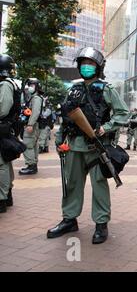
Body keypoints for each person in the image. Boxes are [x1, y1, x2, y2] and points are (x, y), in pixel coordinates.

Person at [47, 47, 130, 244]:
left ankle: (101, 224)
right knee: (72, 184)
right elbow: (67, 117)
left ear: (99, 67)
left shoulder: (107, 89)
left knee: (99, 185)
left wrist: (106, 128)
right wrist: (60, 139)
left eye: (91, 64)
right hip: (74, 146)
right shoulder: (73, 90)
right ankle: (69, 219)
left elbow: (123, 113)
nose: (86, 67)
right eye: (83, 63)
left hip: (96, 147)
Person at [0, 55, 21, 213]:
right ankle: (6, 194)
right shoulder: (9, 83)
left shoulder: (5, 84)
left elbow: (2, 109)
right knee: (4, 162)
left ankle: (2, 197)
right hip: (6, 127)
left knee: (1, 164)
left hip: (3, 127)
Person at [19, 78, 44, 175]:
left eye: (32, 85)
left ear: (37, 87)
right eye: (29, 85)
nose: (29, 87)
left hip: (32, 125)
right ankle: (33, 165)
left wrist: (30, 124)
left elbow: (35, 112)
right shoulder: (33, 97)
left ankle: (31, 166)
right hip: (33, 124)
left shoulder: (36, 98)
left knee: (27, 144)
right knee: (32, 145)